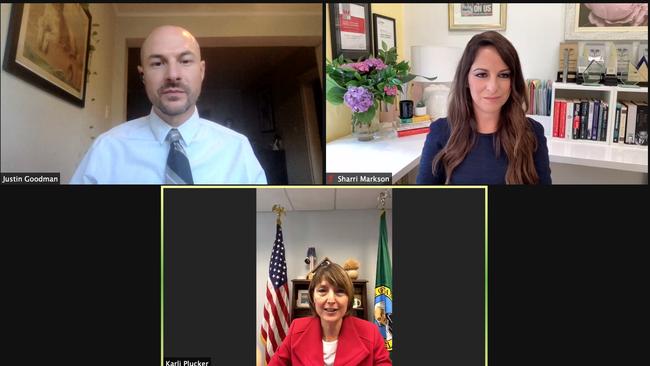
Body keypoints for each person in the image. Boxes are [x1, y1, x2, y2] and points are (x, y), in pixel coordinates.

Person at [71, 25, 267, 184]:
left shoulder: (237, 149)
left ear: (201, 71)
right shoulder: (106, 149)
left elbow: (259, 227)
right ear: (142, 75)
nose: (173, 75)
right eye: (158, 63)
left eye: (185, 61)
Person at [416, 31, 551, 184]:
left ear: (513, 81)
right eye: (481, 75)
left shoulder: (532, 133)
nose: (493, 87)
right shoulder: (441, 132)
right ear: (466, 79)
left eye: (504, 75)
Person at [269, 261, 391, 366]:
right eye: (322, 290)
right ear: (312, 297)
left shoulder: (371, 333)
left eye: (340, 292)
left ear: (349, 298)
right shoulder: (296, 329)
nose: (331, 300)